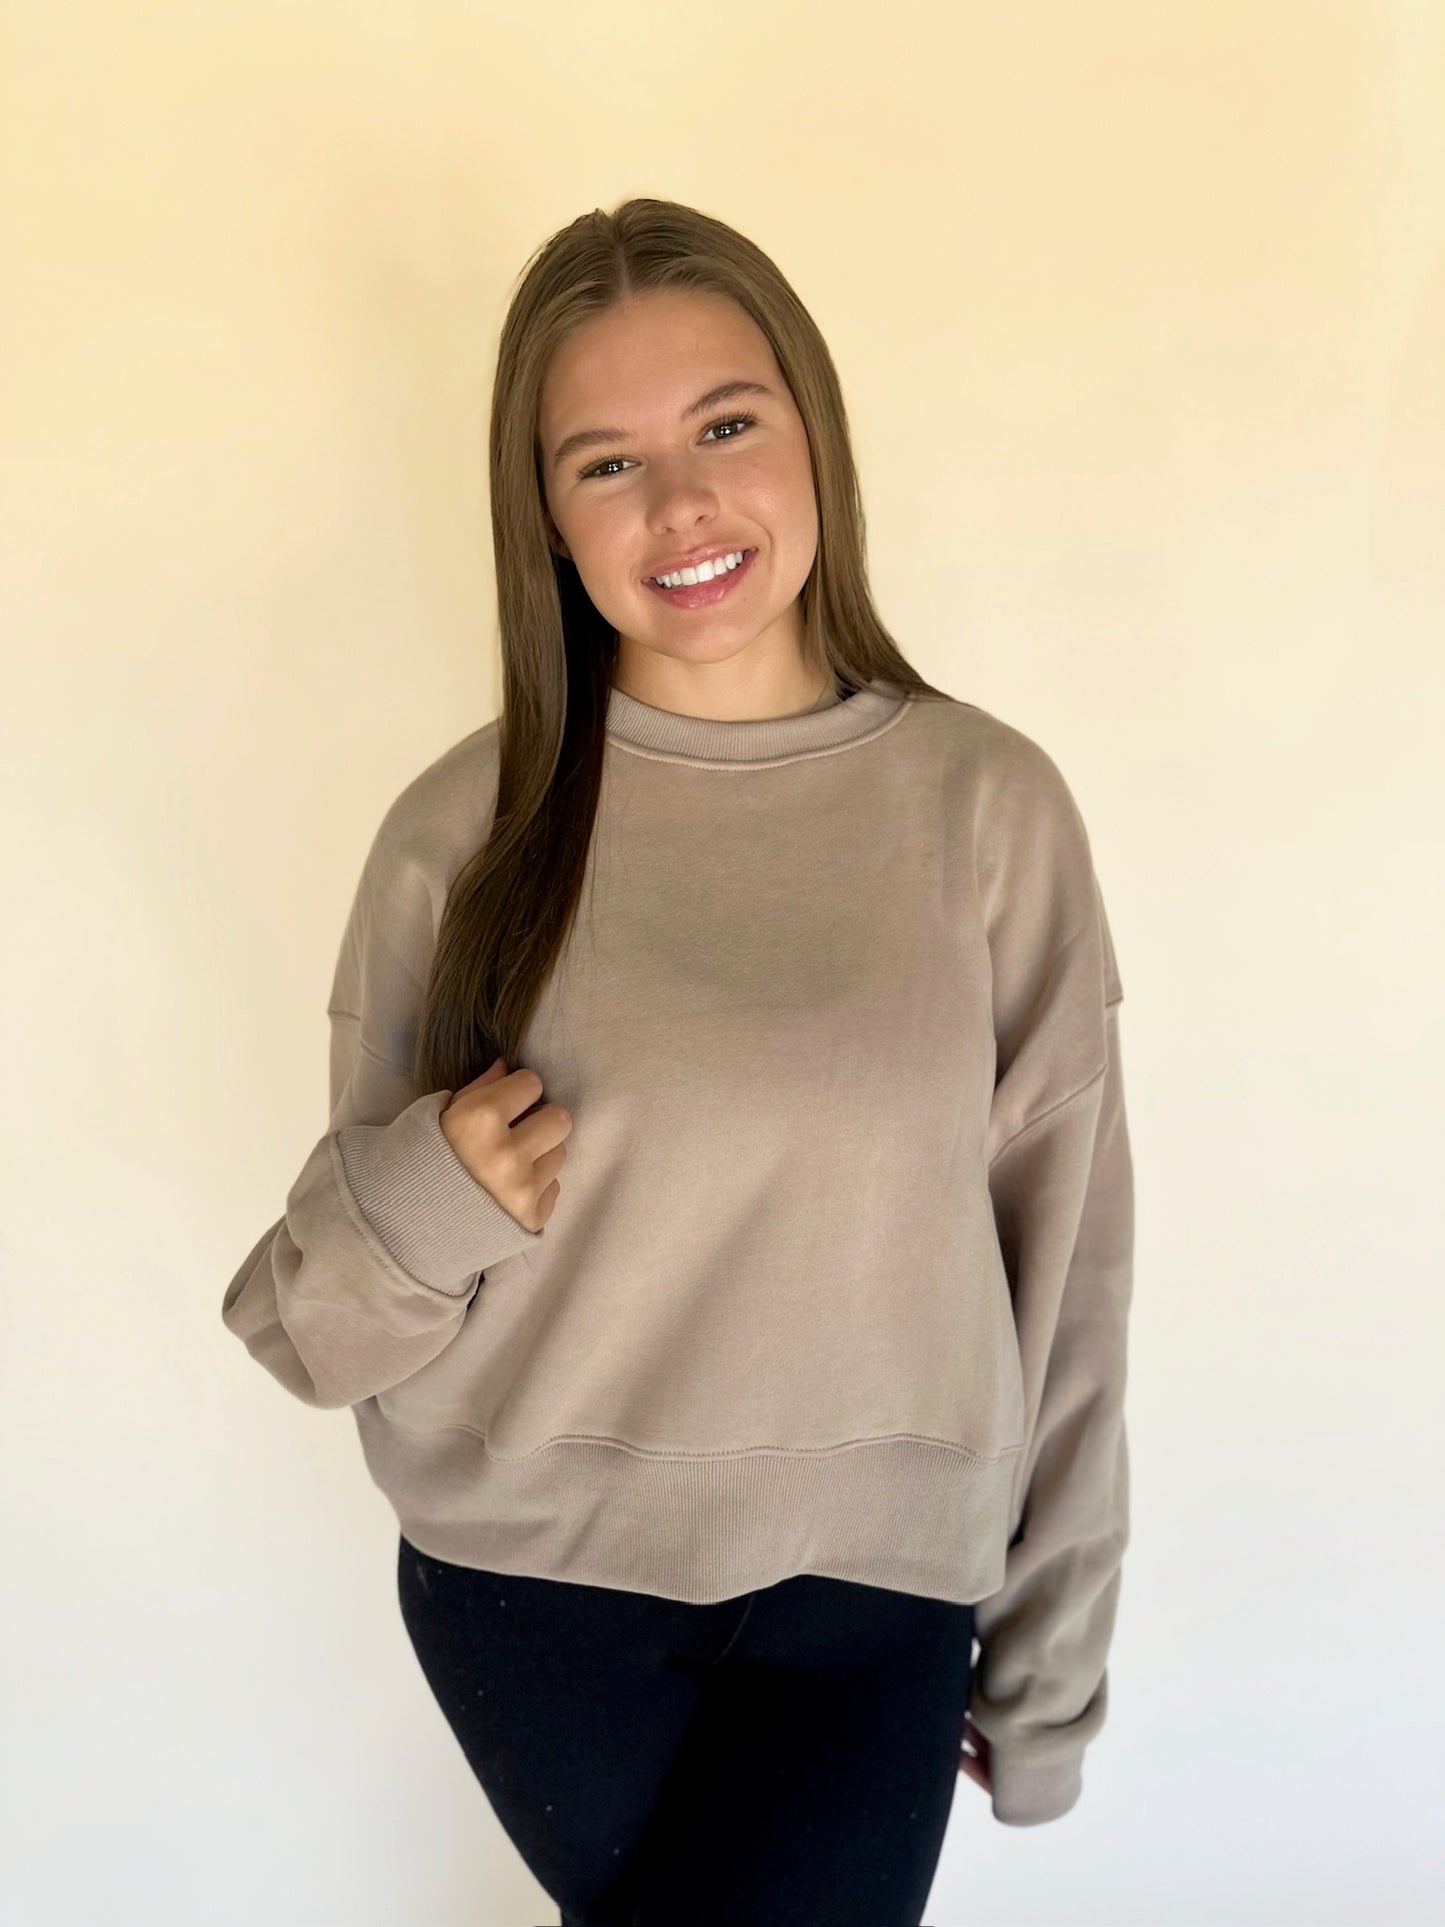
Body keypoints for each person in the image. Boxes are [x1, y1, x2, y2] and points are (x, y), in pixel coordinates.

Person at [221, 196, 1135, 1927]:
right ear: (545, 520)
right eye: (604, 463)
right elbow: (305, 1331)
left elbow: (1070, 1266)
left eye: (725, 423)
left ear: (812, 435)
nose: (682, 502)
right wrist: (428, 1197)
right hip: (529, 1594)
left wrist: (1049, 1660)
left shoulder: (983, 810)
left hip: (876, 1585)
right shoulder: (462, 834)